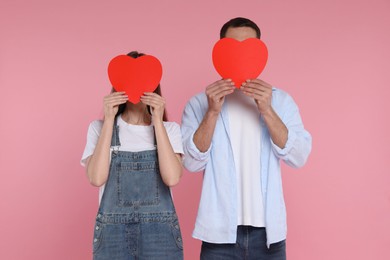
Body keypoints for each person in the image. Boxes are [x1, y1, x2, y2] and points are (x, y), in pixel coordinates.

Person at [181, 17, 312, 259]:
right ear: (219, 51)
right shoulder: (200, 103)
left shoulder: (280, 101)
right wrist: (212, 112)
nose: (240, 56)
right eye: (231, 48)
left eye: (249, 47)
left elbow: (299, 156)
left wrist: (267, 109)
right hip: (218, 237)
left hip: (269, 237)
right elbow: (190, 162)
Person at [81, 51, 184, 260]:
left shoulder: (169, 129)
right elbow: (96, 178)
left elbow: (172, 177)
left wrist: (157, 120)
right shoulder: (98, 128)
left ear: (154, 85)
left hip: (160, 234)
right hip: (112, 234)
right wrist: (109, 119)